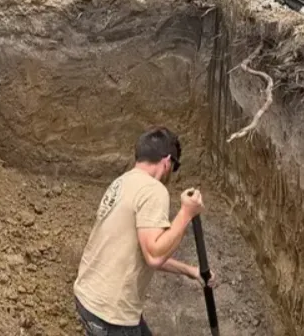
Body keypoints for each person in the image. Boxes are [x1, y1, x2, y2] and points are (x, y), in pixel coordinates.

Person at [72, 127, 216, 336]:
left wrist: (191, 271)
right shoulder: (153, 190)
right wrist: (186, 213)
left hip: (90, 298)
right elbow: (154, 256)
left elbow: (142, 249)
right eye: (173, 169)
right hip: (111, 315)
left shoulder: (122, 183)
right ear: (167, 162)